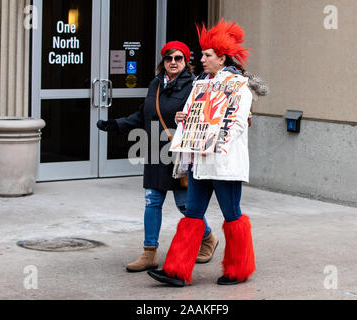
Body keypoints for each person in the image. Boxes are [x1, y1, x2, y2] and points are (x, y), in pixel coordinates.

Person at [147, 20, 268, 286]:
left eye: (207, 55)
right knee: (192, 215)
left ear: (221, 57)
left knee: (232, 215)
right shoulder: (201, 83)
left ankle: (238, 269)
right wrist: (183, 118)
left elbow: (236, 123)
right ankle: (177, 270)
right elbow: (192, 116)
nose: (200, 59)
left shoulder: (239, 85)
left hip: (224, 164)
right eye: (202, 54)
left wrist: (213, 137)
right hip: (199, 163)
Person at [96, 41, 218, 272]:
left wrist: (189, 116)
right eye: (169, 58)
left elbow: (206, 115)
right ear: (163, 62)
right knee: (152, 201)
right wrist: (114, 125)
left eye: (178, 58)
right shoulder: (156, 84)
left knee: (185, 206)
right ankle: (149, 253)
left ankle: (208, 237)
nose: (173, 62)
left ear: (186, 62)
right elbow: (144, 114)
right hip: (155, 149)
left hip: (179, 152)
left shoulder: (195, 85)